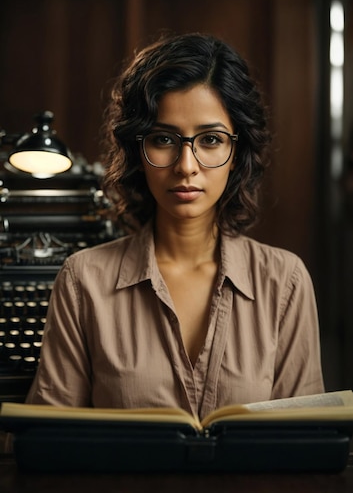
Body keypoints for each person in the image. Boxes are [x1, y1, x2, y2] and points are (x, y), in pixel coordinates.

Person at [26, 32, 324, 419]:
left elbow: (303, 441)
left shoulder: (284, 282)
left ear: (237, 152)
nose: (186, 166)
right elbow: (47, 439)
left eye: (211, 139)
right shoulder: (85, 281)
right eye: (164, 138)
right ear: (139, 149)